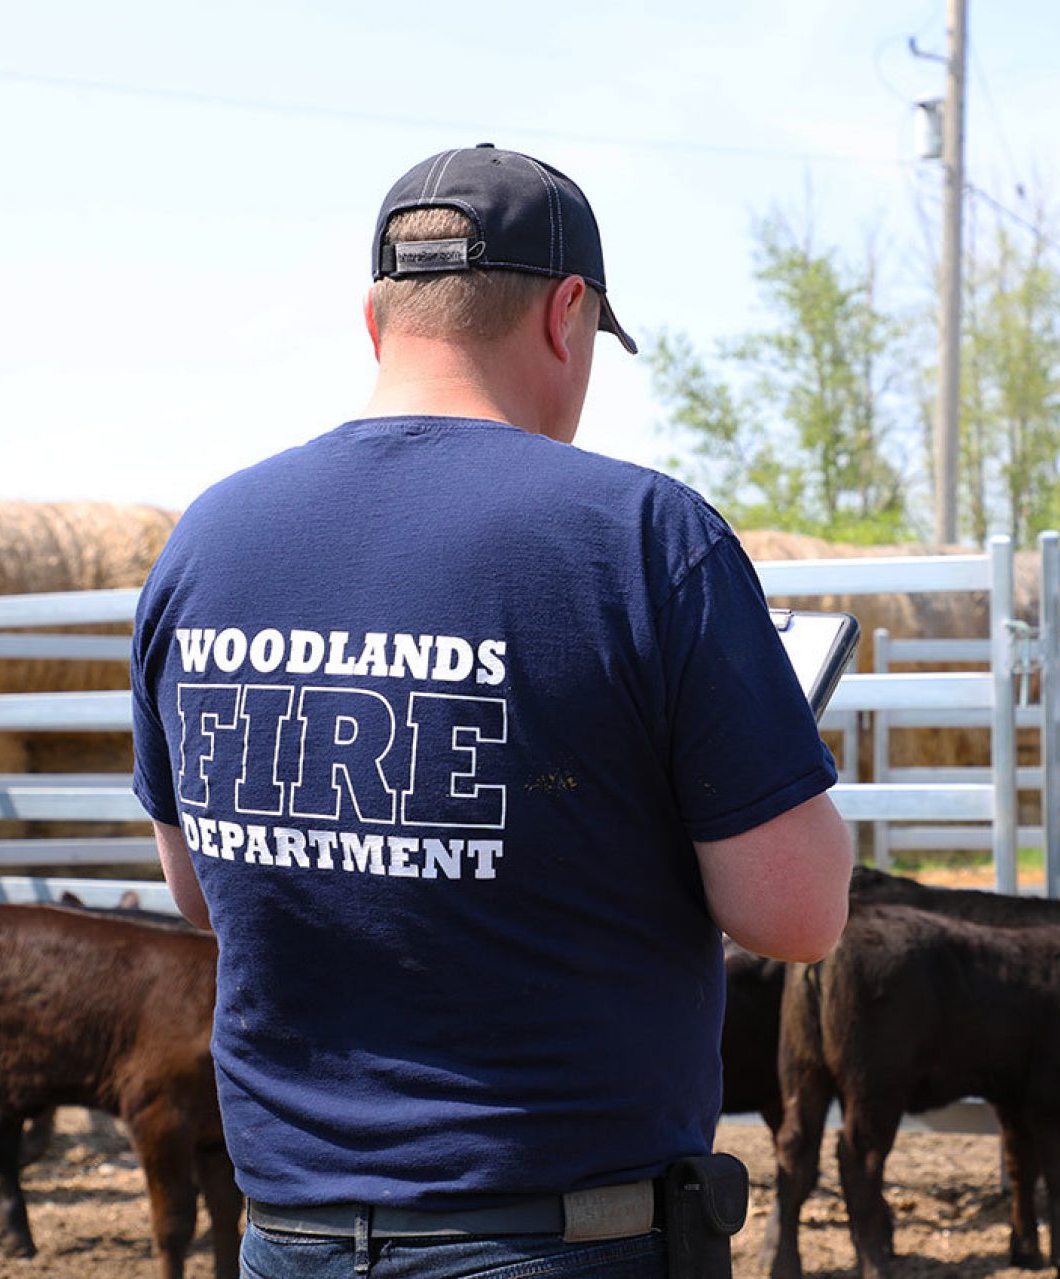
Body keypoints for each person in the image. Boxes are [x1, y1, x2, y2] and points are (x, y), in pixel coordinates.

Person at [129, 144, 854, 1279]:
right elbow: (799, 912)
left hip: (290, 1236)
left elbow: (203, 886)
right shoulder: (644, 538)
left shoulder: (206, 541)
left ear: (378, 322)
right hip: (561, 1236)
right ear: (568, 314)